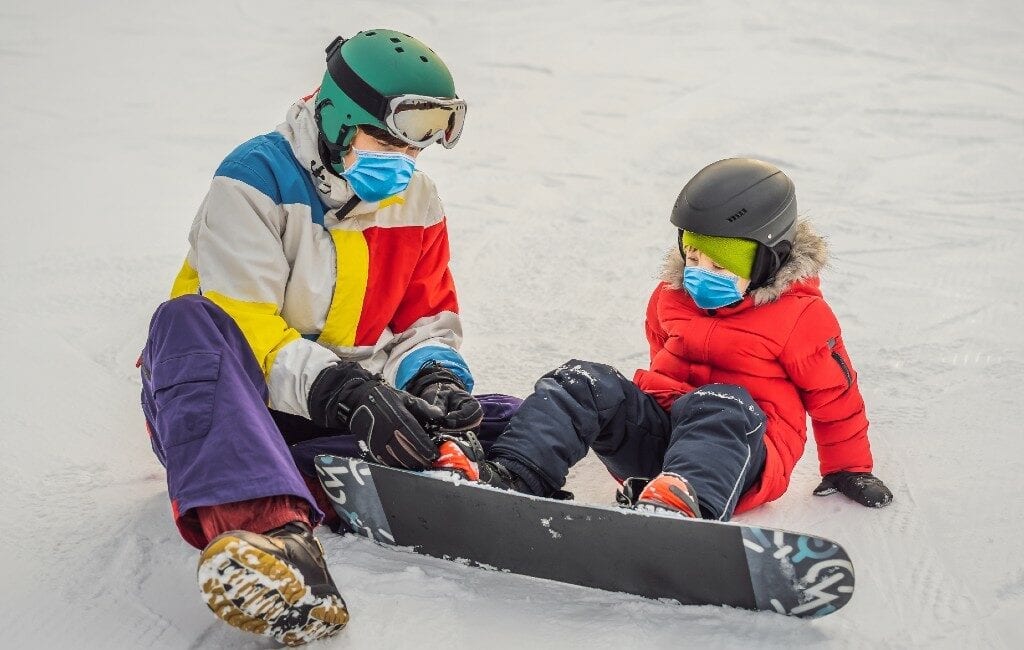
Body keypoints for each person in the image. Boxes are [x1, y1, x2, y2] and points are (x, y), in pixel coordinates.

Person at [139, 29, 490, 646]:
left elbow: (425, 318)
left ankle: (484, 485)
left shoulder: (417, 199)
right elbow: (243, 323)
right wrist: (339, 388)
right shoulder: (254, 180)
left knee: (493, 414)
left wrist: (433, 376)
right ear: (334, 119)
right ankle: (275, 543)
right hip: (228, 405)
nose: (401, 163)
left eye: (415, 150)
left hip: (334, 401)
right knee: (184, 323)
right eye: (385, 140)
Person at [473, 158, 893, 522]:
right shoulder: (670, 298)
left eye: (720, 265)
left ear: (770, 258)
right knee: (584, 380)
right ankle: (514, 473)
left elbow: (836, 397)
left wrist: (847, 468)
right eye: (692, 258)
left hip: (740, 456)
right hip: (665, 443)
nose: (700, 274)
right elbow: (661, 356)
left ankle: (682, 509)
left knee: (717, 402)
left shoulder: (802, 317)